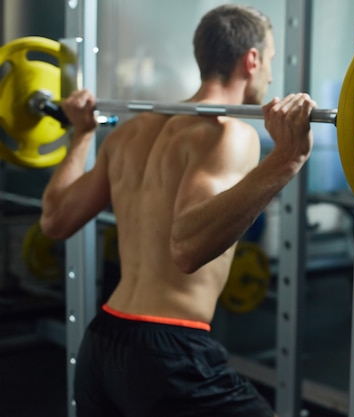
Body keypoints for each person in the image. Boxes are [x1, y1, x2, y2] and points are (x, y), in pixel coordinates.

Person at [39, 4, 315, 417]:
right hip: (167, 352)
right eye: (271, 60)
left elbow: (55, 219)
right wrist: (286, 160)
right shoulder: (229, 134)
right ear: (251, 60)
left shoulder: (131, 132)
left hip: (103, 342)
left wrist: (82, 136)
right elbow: (185, 248)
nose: (272, 76)